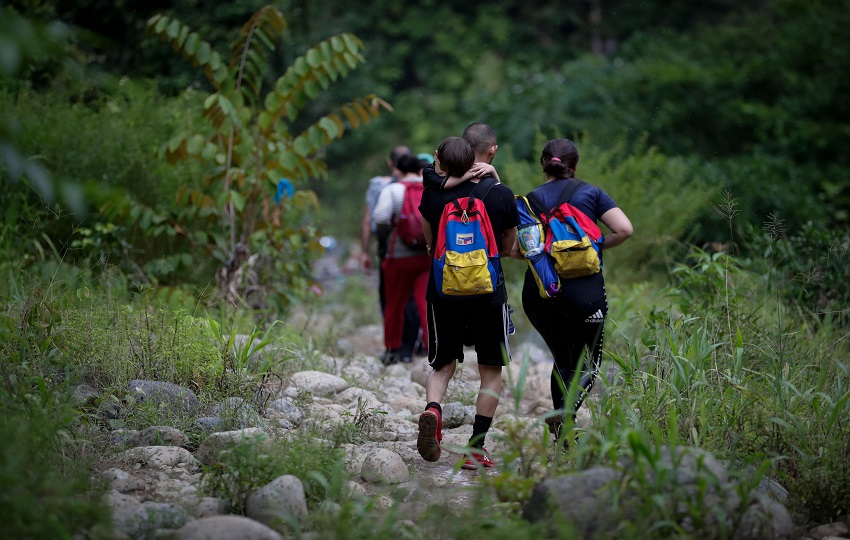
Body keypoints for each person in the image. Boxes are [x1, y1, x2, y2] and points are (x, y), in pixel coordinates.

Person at [509, 138, 633, 443]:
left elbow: (513, 250)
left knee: (563, 360)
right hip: (584, 292)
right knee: (587, 363)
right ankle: (563, 417)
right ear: (573, 166)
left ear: (543, 165)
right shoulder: (591, 193)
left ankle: (564, 435)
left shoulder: (529, 202)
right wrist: (594, 246)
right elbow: (625, 229)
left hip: (540, 293)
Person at [417, 126, 519, 469]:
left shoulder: (432, 196)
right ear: (488, 151)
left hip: (443, 290)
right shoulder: (500, 193)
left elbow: (429, 245)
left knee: (442, 364)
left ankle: (433, 410)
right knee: (490, 369)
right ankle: (476, 447)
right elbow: (508, 247)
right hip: (488, 292)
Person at [359, 146, 423, 363]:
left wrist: (391, 234)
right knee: (424, 303)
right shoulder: (431, 189)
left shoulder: (393, 190)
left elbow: (380, 218)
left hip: (398, 256)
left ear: (398, 169)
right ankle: (427, 349)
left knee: (395, 303)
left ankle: (393, 349)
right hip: (426, 257)